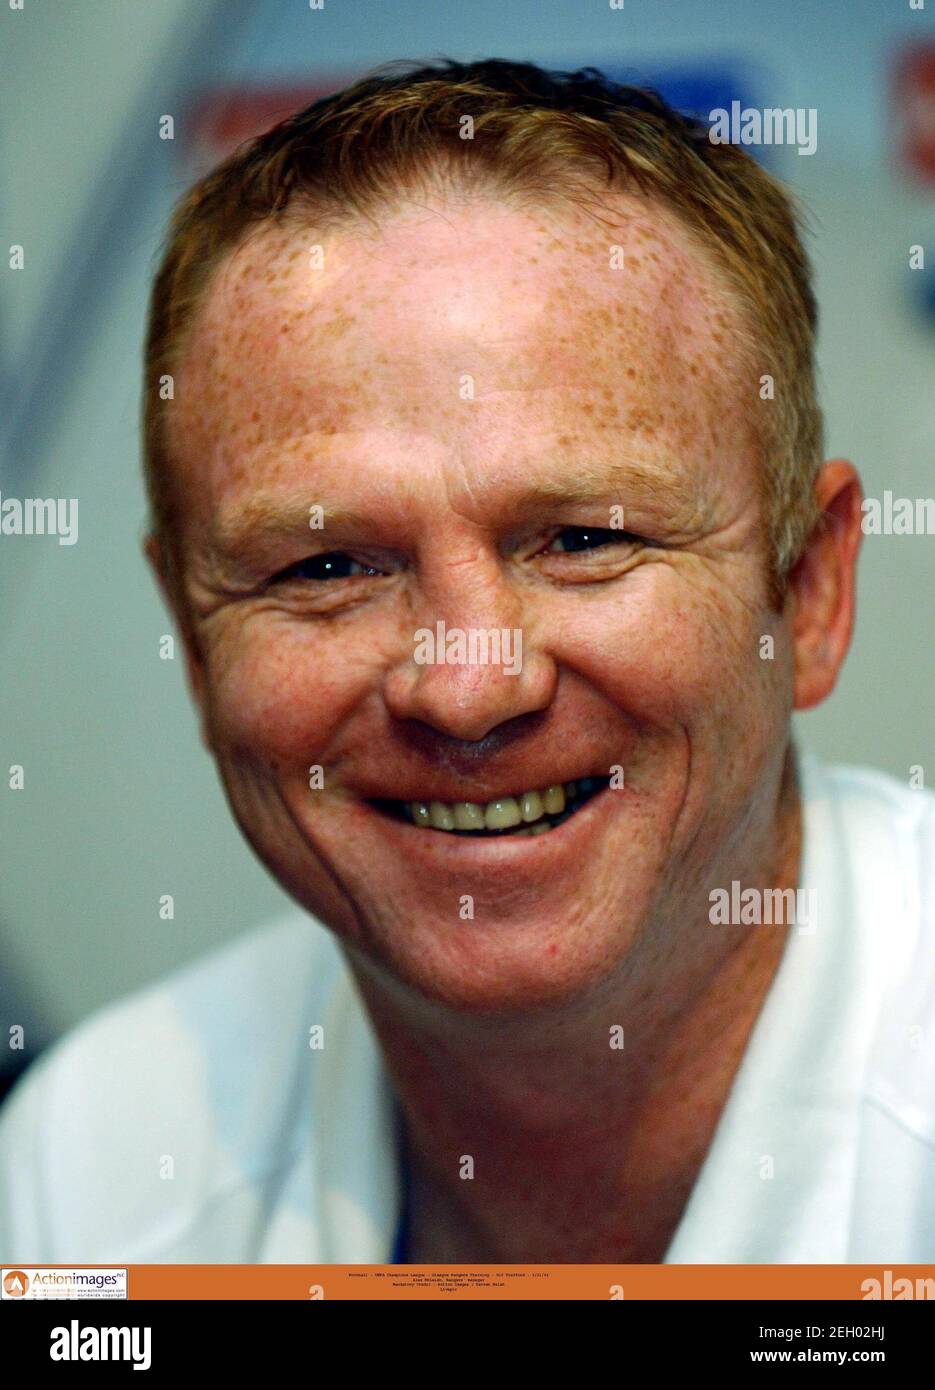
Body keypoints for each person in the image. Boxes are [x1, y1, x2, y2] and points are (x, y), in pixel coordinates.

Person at [2, 59, 933, 1266]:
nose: (469, 687)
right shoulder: (96, 1173)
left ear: (807, 591)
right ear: (191, 641)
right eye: (327, 568)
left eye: (584, 539)